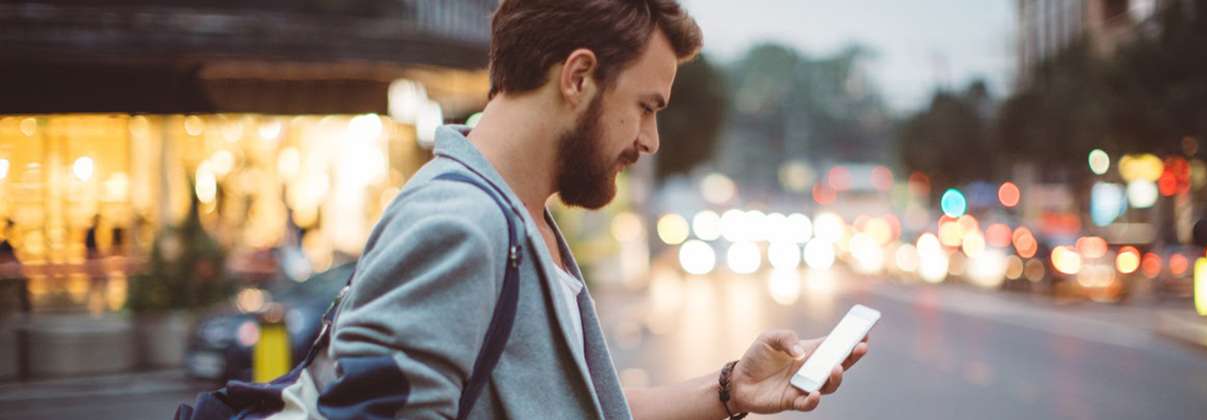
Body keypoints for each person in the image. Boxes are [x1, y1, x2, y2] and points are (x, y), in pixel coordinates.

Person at [298, 1, 871, 418]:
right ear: (577, 78)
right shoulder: (459, 224)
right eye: (646, 107)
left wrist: (729, 389)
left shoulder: (518, 218)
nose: (651, 141)